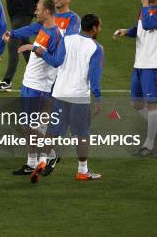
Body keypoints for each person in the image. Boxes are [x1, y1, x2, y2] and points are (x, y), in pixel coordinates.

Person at [30, 14, 104, 183]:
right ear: (93, 28)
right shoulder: (96, 48)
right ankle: (82, 170)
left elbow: (56, 61)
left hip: (60, 93)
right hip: (79, 97)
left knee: (52, 131)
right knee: (82, 134)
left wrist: (42, 53)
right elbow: (94, 75)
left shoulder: (68, 39)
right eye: (99, 26)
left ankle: (42, 161)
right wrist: (98, 97)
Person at [113, 0, 157, 156]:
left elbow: (149, 24)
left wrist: (146, 6)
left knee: (151, 103)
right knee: (137, 103)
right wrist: (127, 31)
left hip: (154, 63)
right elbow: (141, 28)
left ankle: (148, 144)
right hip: (139, 62)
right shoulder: (145, 10)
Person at [3, 0, 62, 176]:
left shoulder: (57, 36)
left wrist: (36, 49)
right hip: (29, 83)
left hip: (40, 87)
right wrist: (12, 34)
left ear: (47, 12)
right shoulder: (41, 27)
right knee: (27, 126)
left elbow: (57, 61)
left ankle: (51, 155)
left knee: (31, 127)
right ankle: (31, 162)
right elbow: (28, 30)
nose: (35, 12)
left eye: (38, 9)